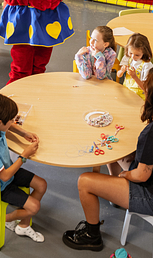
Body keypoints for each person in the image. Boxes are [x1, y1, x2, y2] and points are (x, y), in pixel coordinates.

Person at [62, 68, 153, 251]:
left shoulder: (150, 134)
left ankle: (92, 236)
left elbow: (142, 175)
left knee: (85, 181)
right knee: (112, 152)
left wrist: (126, 175)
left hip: (148, 194)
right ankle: (116, 196)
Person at [0, 94, 47, 242]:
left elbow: (8, 128)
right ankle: (6, 218)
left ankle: (23, 225)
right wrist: (24, 156)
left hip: (7, 170)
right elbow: (5, 176)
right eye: (11, 120)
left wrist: (24, 133)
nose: (13, 122)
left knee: (41, 184)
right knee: (34, 207)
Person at [117, 33, 153, 100]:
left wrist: (134, 76)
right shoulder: (127, 57)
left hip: (138, 96)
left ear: (144, 52)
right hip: (126, 91)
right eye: (131, 53)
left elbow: (146, 89)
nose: (133, 57)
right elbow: (118, 75)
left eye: (137, 55)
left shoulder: (147, 66)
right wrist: (121, 71)